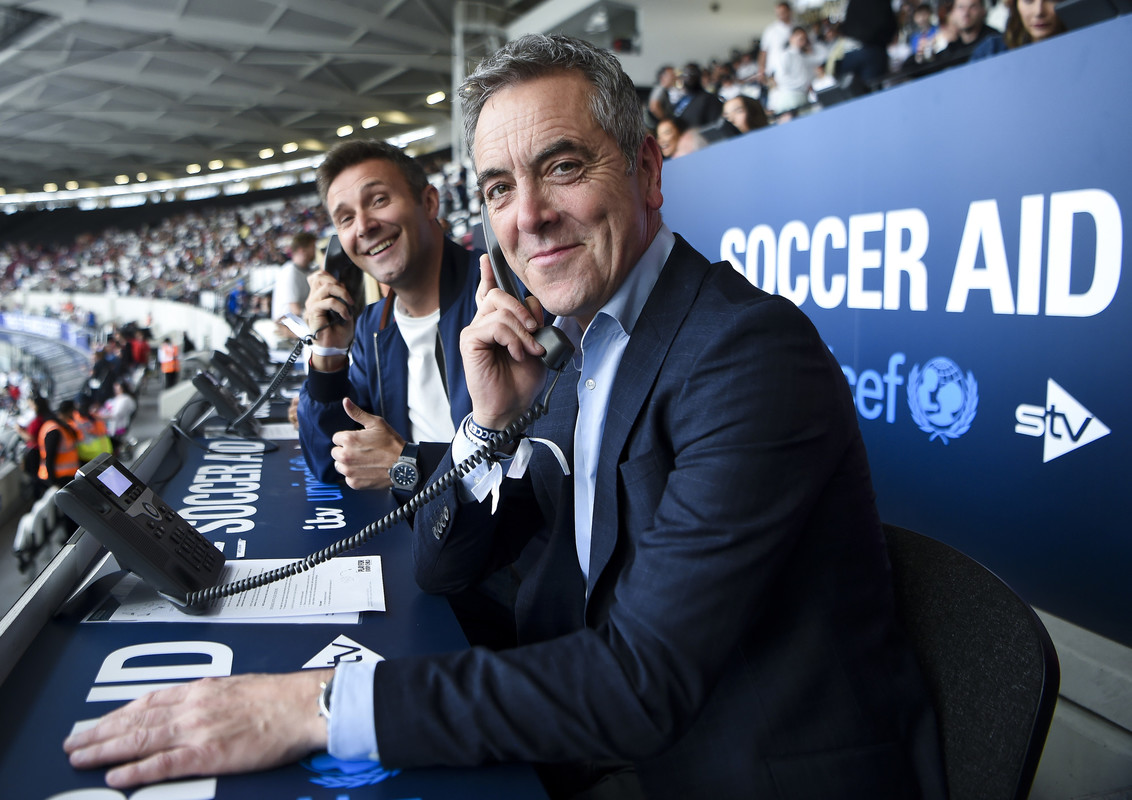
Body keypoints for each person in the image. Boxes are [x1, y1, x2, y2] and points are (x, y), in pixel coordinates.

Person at [63, 34, 946, 800]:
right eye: (498, 188)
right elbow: (445, 567)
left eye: (562, 167)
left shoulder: (746, 353)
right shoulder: (569, 343)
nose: (529, 217)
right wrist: (488, 425)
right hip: (609, 741)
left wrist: (313, 703)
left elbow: (641, 682)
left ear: (646, 171)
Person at [295, 139, 480, 493]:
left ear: (429, 202)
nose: (363, 226)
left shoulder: (499, 294)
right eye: (346, 218)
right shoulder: (372, 327)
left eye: (379, 200)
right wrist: (328, 354)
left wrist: (409, 464)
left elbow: (544, 466)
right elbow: (331, 463)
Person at [969, 0, 1065, 58]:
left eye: (1052, 0)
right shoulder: (991, 51)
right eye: (1028, 0)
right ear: (1015, 5)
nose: (1038, 12)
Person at [271, 231, 318, 342]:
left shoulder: (308, 271)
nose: (316, 251)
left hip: (301, 328)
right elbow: (295, 311)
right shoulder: (290, 271)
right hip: (289, 332)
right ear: (302, 250)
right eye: (313, 247)